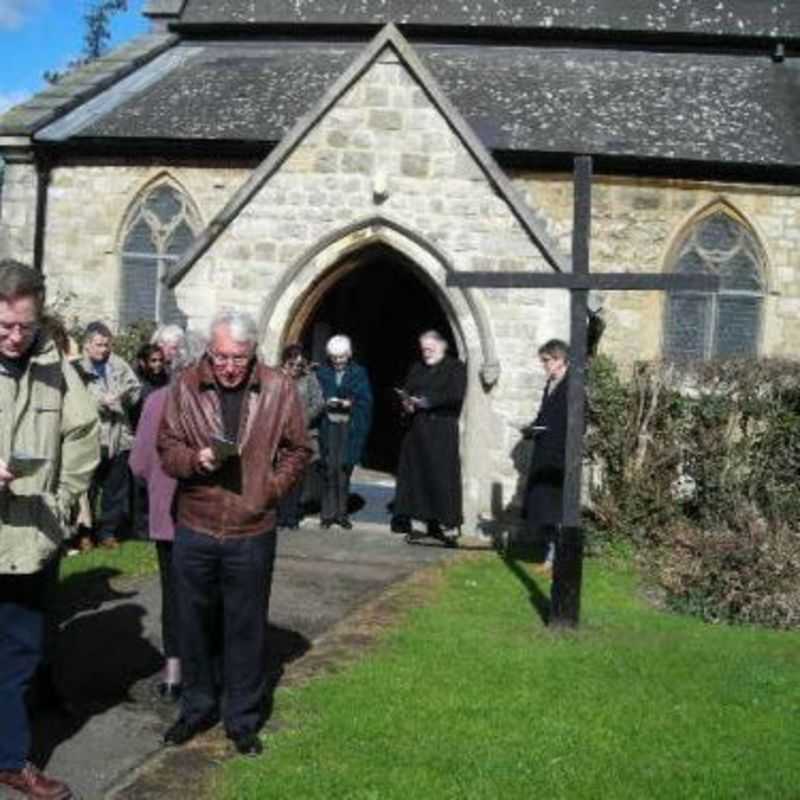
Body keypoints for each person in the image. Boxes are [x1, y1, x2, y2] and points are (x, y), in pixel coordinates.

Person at [157, 310, 311, 755]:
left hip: (252, 526)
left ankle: (241, 718)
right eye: (221, 356)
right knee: (194, 624)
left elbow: (299, 449)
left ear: (253, 353)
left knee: (245, 627)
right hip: (196, 522)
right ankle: (196, 707)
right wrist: (193, 461)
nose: (228, 367)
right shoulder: (185, 385)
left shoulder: (279, 387)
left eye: (238, 358)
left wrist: (271, 489)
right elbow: (166, 447)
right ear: (209, 350)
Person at [0, 259, 100, 800]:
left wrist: (62, 503)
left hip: (30, 536)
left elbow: (85, 435)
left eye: (25, 326)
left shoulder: (55, 368)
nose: (16, 337)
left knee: (18, 655)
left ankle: (11, 760)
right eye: (4, 327)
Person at [129, 334, 205, 702]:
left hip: (167, 517)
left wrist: (159, 485)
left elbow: (138, 463)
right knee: (205, 594)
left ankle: (174, 672)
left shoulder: (156, 400)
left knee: (174, 595)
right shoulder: (211, 406)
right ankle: (201, 667)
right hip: (204, 517)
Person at [393, 331, 466, 546]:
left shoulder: (455, 368)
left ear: (442, 346)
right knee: (417, 477)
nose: (426, 353)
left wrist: (428, 401)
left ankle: (448, 526)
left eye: (430, 349)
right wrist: (406, 403)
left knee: (443, 478)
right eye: (423, 349)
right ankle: (419, 523)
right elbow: (407, 390)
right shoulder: (417, 368)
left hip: (442, 431)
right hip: (417, 431)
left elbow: (456, 395)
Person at [80, 321, 141, 549]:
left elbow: (135, 391)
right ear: (86, 345)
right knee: (87, 489)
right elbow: (73, 400)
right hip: (91, 438)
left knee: (115, 489)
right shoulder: (77, 369)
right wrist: (99, 402)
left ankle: (107, 532)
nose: (104, 349)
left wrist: (123, 397)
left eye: (107, 345)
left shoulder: (118, 365)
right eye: (99, 345)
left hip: (119, 437)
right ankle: (84, 532)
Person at [522, 338, 570, 576]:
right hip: (544, 454)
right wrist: (531, 429)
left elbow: (575, 424)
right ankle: (549, 558)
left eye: (546, 361)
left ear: (559, 359)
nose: (544, 365)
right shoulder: (550, 384)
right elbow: (544, 416)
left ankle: (558, 560)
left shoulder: (573, 385)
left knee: (557, 510)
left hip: (559, 458)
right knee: (545, 509)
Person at [316, 335, 373, 529]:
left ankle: (342, 514)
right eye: (334, 357)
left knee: (344, 469)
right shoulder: (322, 372)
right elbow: (316, 397)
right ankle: (326, 514)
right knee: (329, 469)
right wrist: (325, 403)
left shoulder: (359, 373)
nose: (338, 361)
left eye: (341, 357)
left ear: (349, 354)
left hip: (349, 426)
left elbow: (366, 399)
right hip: (328, 425)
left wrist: (352, 402)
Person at [277, 344, 325, 529]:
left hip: (302, 433)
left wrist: (303, 418)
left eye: (299, 365)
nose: (295, 369)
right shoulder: (277, 378)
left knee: (297, 476)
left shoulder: (309, 378)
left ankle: (291, 516)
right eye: (291, 364)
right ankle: (280, 515)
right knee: (280, 475)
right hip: (280, 435)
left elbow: (319, 402)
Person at [131, 343, 167, 431]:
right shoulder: (135, 383)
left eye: (160, 360)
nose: (158, 364)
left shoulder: (167, 380)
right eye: (153, 361)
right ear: (143, 362)